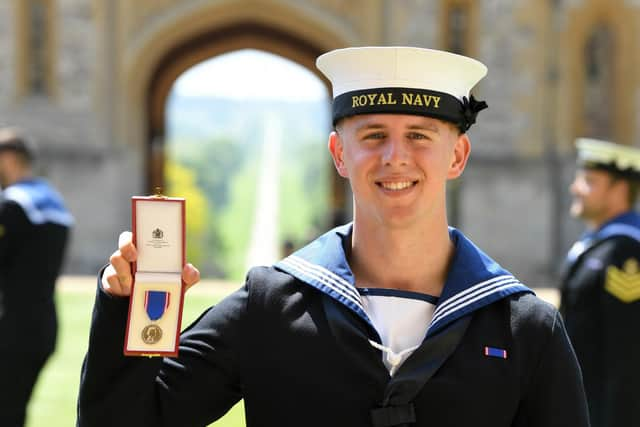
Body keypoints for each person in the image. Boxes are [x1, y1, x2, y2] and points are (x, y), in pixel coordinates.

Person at [77, 47, 589, 427]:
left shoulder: (523, 328)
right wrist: (131, 306)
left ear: (457, 156)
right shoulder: (271, 305)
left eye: (418, 135)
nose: (395, 157)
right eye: (372, 136)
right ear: (339, 153)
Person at [560, 137, 640, 427]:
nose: (576, 188)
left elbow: (627, 356)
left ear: (619, 189)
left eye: (589, 181)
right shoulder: (600, 244)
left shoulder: (625, 252)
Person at [0, 127, 73, 426]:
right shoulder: (53, 202)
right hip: (43, 326)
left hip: (10, 329)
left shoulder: (13, 206)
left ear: (9, 159)